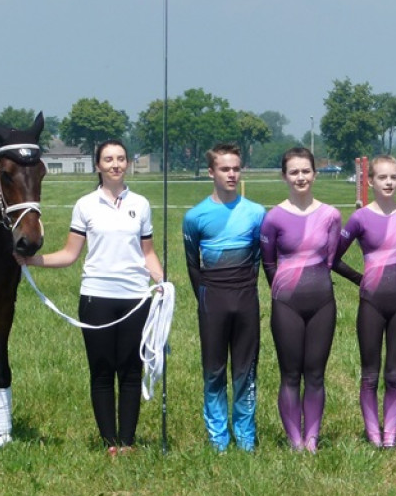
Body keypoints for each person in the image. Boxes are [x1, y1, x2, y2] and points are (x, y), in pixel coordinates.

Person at [18, 140, 164, 455]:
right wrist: (32, 261)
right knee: (101, 370)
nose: (115, 164)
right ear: (97, 165)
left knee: (130, 371)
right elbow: (71, 254)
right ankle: (109, 443)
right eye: (108, 159)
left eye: (121, 159)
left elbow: (148, 253)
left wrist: (162, 283)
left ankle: (127, 443)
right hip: (96, 298)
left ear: (127, 164)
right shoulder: (85, 205)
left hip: (136, 299)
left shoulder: (141, 203)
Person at [334, 155, 396, 447]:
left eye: (394, 177)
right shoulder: (360, 218)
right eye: (383, 178)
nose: (389, 182)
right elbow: (333, 258)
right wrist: (359, 279)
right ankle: (372, 432)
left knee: (394, 373)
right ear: (370, 181)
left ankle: (391, 432)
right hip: (371, 303)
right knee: (370, 373)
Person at [182, 143, 265, 453]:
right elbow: (193, 264)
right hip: (211, 301)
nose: (231, 174)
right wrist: (205, 298)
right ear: (211, 172)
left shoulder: (256, 213)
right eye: (224, 169)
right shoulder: (195, 217)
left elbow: (262, 258)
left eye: (235, 168)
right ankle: (218, 439)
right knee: (214, 370)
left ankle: (245, 437)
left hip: (246, 299)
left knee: (246, 370)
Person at [260, 147, 340, 452]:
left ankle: (312, 439)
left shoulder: (331, 215)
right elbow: (268, 263)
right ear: (284, 177)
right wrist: (281, 291)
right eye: (294, 172)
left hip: (322, 302)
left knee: (316, 374)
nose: (300, 177)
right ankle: (295, 440)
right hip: (286, 304)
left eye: (306, 170)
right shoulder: (273, 218)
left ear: (315, 174)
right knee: (291, 374)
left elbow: (330, 259)